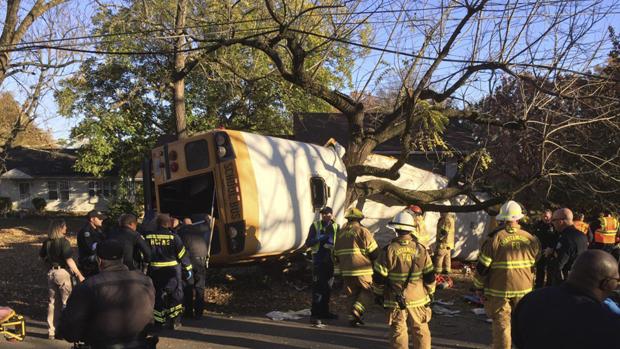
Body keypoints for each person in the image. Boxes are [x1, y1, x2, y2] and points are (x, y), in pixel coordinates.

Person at [512, 250, 620, 349]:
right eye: (617, 280)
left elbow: (518, 340)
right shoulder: (609, 322)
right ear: (606, 284)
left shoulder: (531, 300)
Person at [58, 240, 156, 348]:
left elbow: (70, 332)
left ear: (98, 260)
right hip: (140, 343)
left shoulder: (88, 286)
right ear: (122, 259)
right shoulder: (146, 281)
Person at [473, 200, 540, 349]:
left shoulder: (495, 239)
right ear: (519, 218)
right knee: (521, 323)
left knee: (502, 324)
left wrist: (478, 286)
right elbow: (536, 260)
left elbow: (483, 267)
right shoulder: (531, 238)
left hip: (499, 290)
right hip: (524, 290)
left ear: (502, 219)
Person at [373, 211, 435, 349]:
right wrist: (430, 292)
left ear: (395, 229)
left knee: (399, 330)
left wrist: (378, 294)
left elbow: (379, 277)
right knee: (420, 328)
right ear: (411, 229)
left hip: (396, 299)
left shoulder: (388, 250)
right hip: (418, 298)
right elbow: (430, 274)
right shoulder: (421, 249)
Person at [145, 214, 193, 330]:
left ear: (157, 223)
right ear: (169, 224)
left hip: (154, 271)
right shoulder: (174, 237)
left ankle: (159, 322)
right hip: (172, 271)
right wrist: (188, 269)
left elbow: (143, 254)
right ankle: (175, 321)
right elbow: (182, 255)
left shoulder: (148, 237)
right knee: (175, 295)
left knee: (157, 296)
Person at [39, 219, 85, 340]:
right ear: (60, 228)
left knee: (52, 303)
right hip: (62, 272)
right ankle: (65, 330)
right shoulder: (64, 242)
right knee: (66, 302)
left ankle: (51, 331)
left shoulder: (47, 242)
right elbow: (69, 260)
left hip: (51, 272)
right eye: (65, 227)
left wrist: (48, 268)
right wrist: (79, 274)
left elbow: (42, 258)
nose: (66, 229)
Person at [333, 207, 379, 326]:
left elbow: (335, 254)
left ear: (348, 219)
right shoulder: (363, 231)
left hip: (346, 270)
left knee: (352, 294)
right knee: (368, 291)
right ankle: (356, 311)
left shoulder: (340, 233)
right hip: (362, 269)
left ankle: (352, 318)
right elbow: (374, 252)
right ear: (359, 219)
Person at [304, 206, 339, 321]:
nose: (326, 216)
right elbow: (308, 243)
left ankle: (324, 312)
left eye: (328, 214)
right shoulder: (315, 225)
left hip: (330, 260)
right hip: (318, 261)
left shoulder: (336, 226)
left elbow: (338, 243)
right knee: (318, 288)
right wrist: (318, 238)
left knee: (327, 287)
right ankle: (315, 314)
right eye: (324, 214)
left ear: (332, 215)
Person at [177, 215, 210, 320]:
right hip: (201, 259)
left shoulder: (181, 231)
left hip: (190, 260)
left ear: (183, 224)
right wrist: (207, 219)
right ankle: (199, 313)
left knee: (188, 286)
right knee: (200, 287)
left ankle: (188, 312)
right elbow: (208, 226)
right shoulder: (199, 229)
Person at [547, 208, 588, 285]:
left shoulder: (565, 238)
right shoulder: (582, 235)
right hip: (580, 277)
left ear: (560, 221)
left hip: (567, 281)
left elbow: (558, 265)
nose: (552, 223)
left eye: (553, 220)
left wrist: (551, 255)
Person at [77, 210, 106, 277]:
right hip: (89, 264)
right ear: (92, 219)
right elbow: (91, 249)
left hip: (96, 263)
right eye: (100, 219)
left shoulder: (97, 230)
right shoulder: (86, 232)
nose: (101, 220)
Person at [531, 209, 556, 288]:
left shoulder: (554, 226)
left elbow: (557, 238)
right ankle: (538, 287)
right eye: (544, 216)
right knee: (540, 270)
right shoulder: (537, 225)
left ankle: (548, 287)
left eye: (547, 217)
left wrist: (552, 249)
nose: (546, 218)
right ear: (541, 216)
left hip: (550, 251)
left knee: (550, 271)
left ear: (551, 217)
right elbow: (533, 237)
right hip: (540, 251)